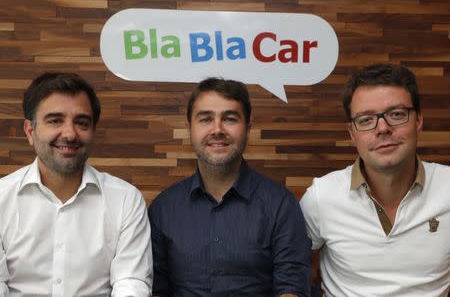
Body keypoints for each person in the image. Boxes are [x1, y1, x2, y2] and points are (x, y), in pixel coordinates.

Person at [148, 77, 312, 296]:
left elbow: (292, 287)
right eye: (205, 119)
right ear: (189, 128)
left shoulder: (280, 204)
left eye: (230, 119)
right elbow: (155, 288)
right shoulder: (163, 208)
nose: (217, 129)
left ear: (248, 128)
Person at [300, 63, 450, 296]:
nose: (382, 128)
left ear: (418, 120)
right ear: (352, 132)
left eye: (397, 114)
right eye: (366, 119)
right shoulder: (322, 196)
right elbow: (290, 269)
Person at [0, 72, 153, 296]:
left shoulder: (125, 200)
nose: (70, 134)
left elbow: (131, 283)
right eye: (55, 121)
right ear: (30, 131)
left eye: (81, 123)